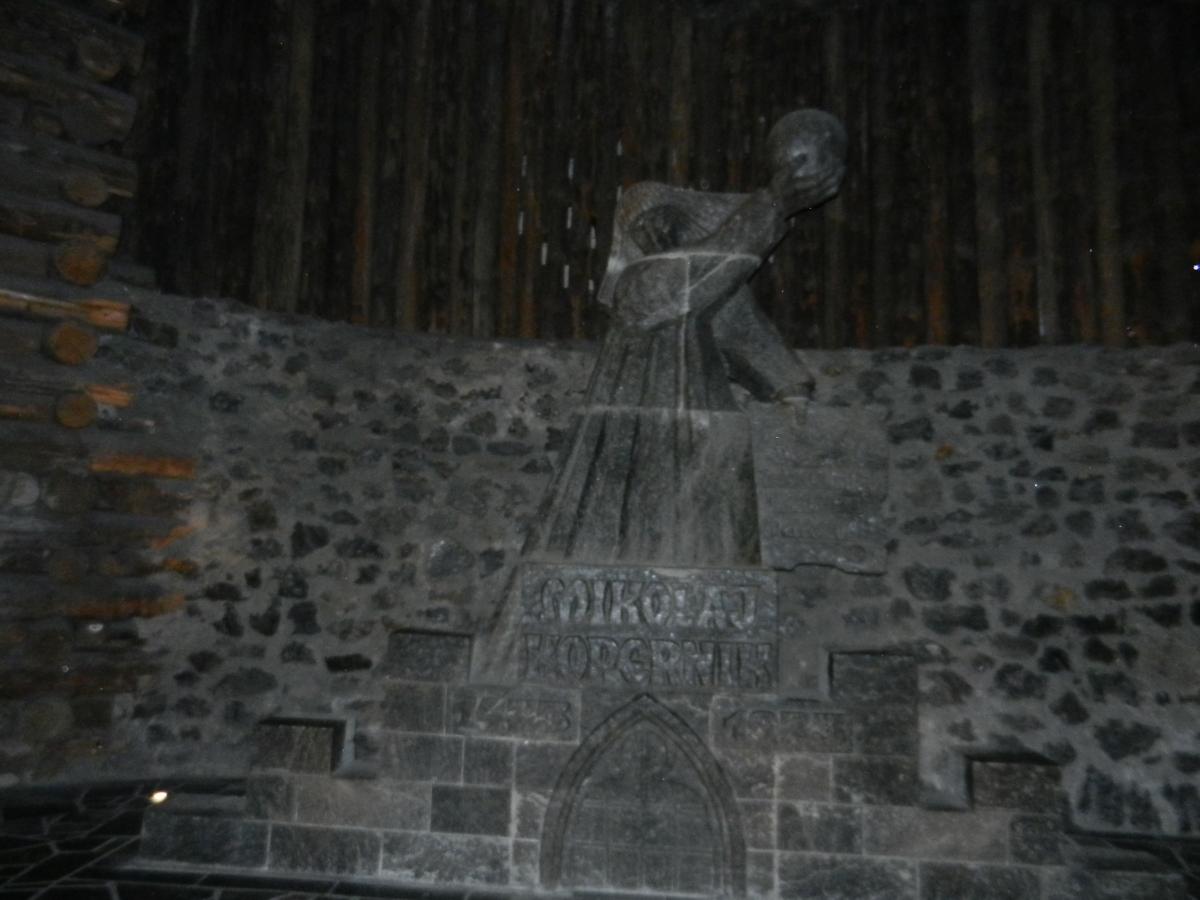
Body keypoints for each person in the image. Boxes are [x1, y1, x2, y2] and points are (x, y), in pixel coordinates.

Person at [525, 109, 848, 570]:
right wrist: (774, 202)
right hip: (634, 433)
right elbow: (685, 282)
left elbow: (732, 313)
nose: (658, 228)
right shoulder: (643, 284)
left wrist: (787, 382)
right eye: (648, 218)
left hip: (703, 426)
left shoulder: (700, 284)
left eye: (670, 217)